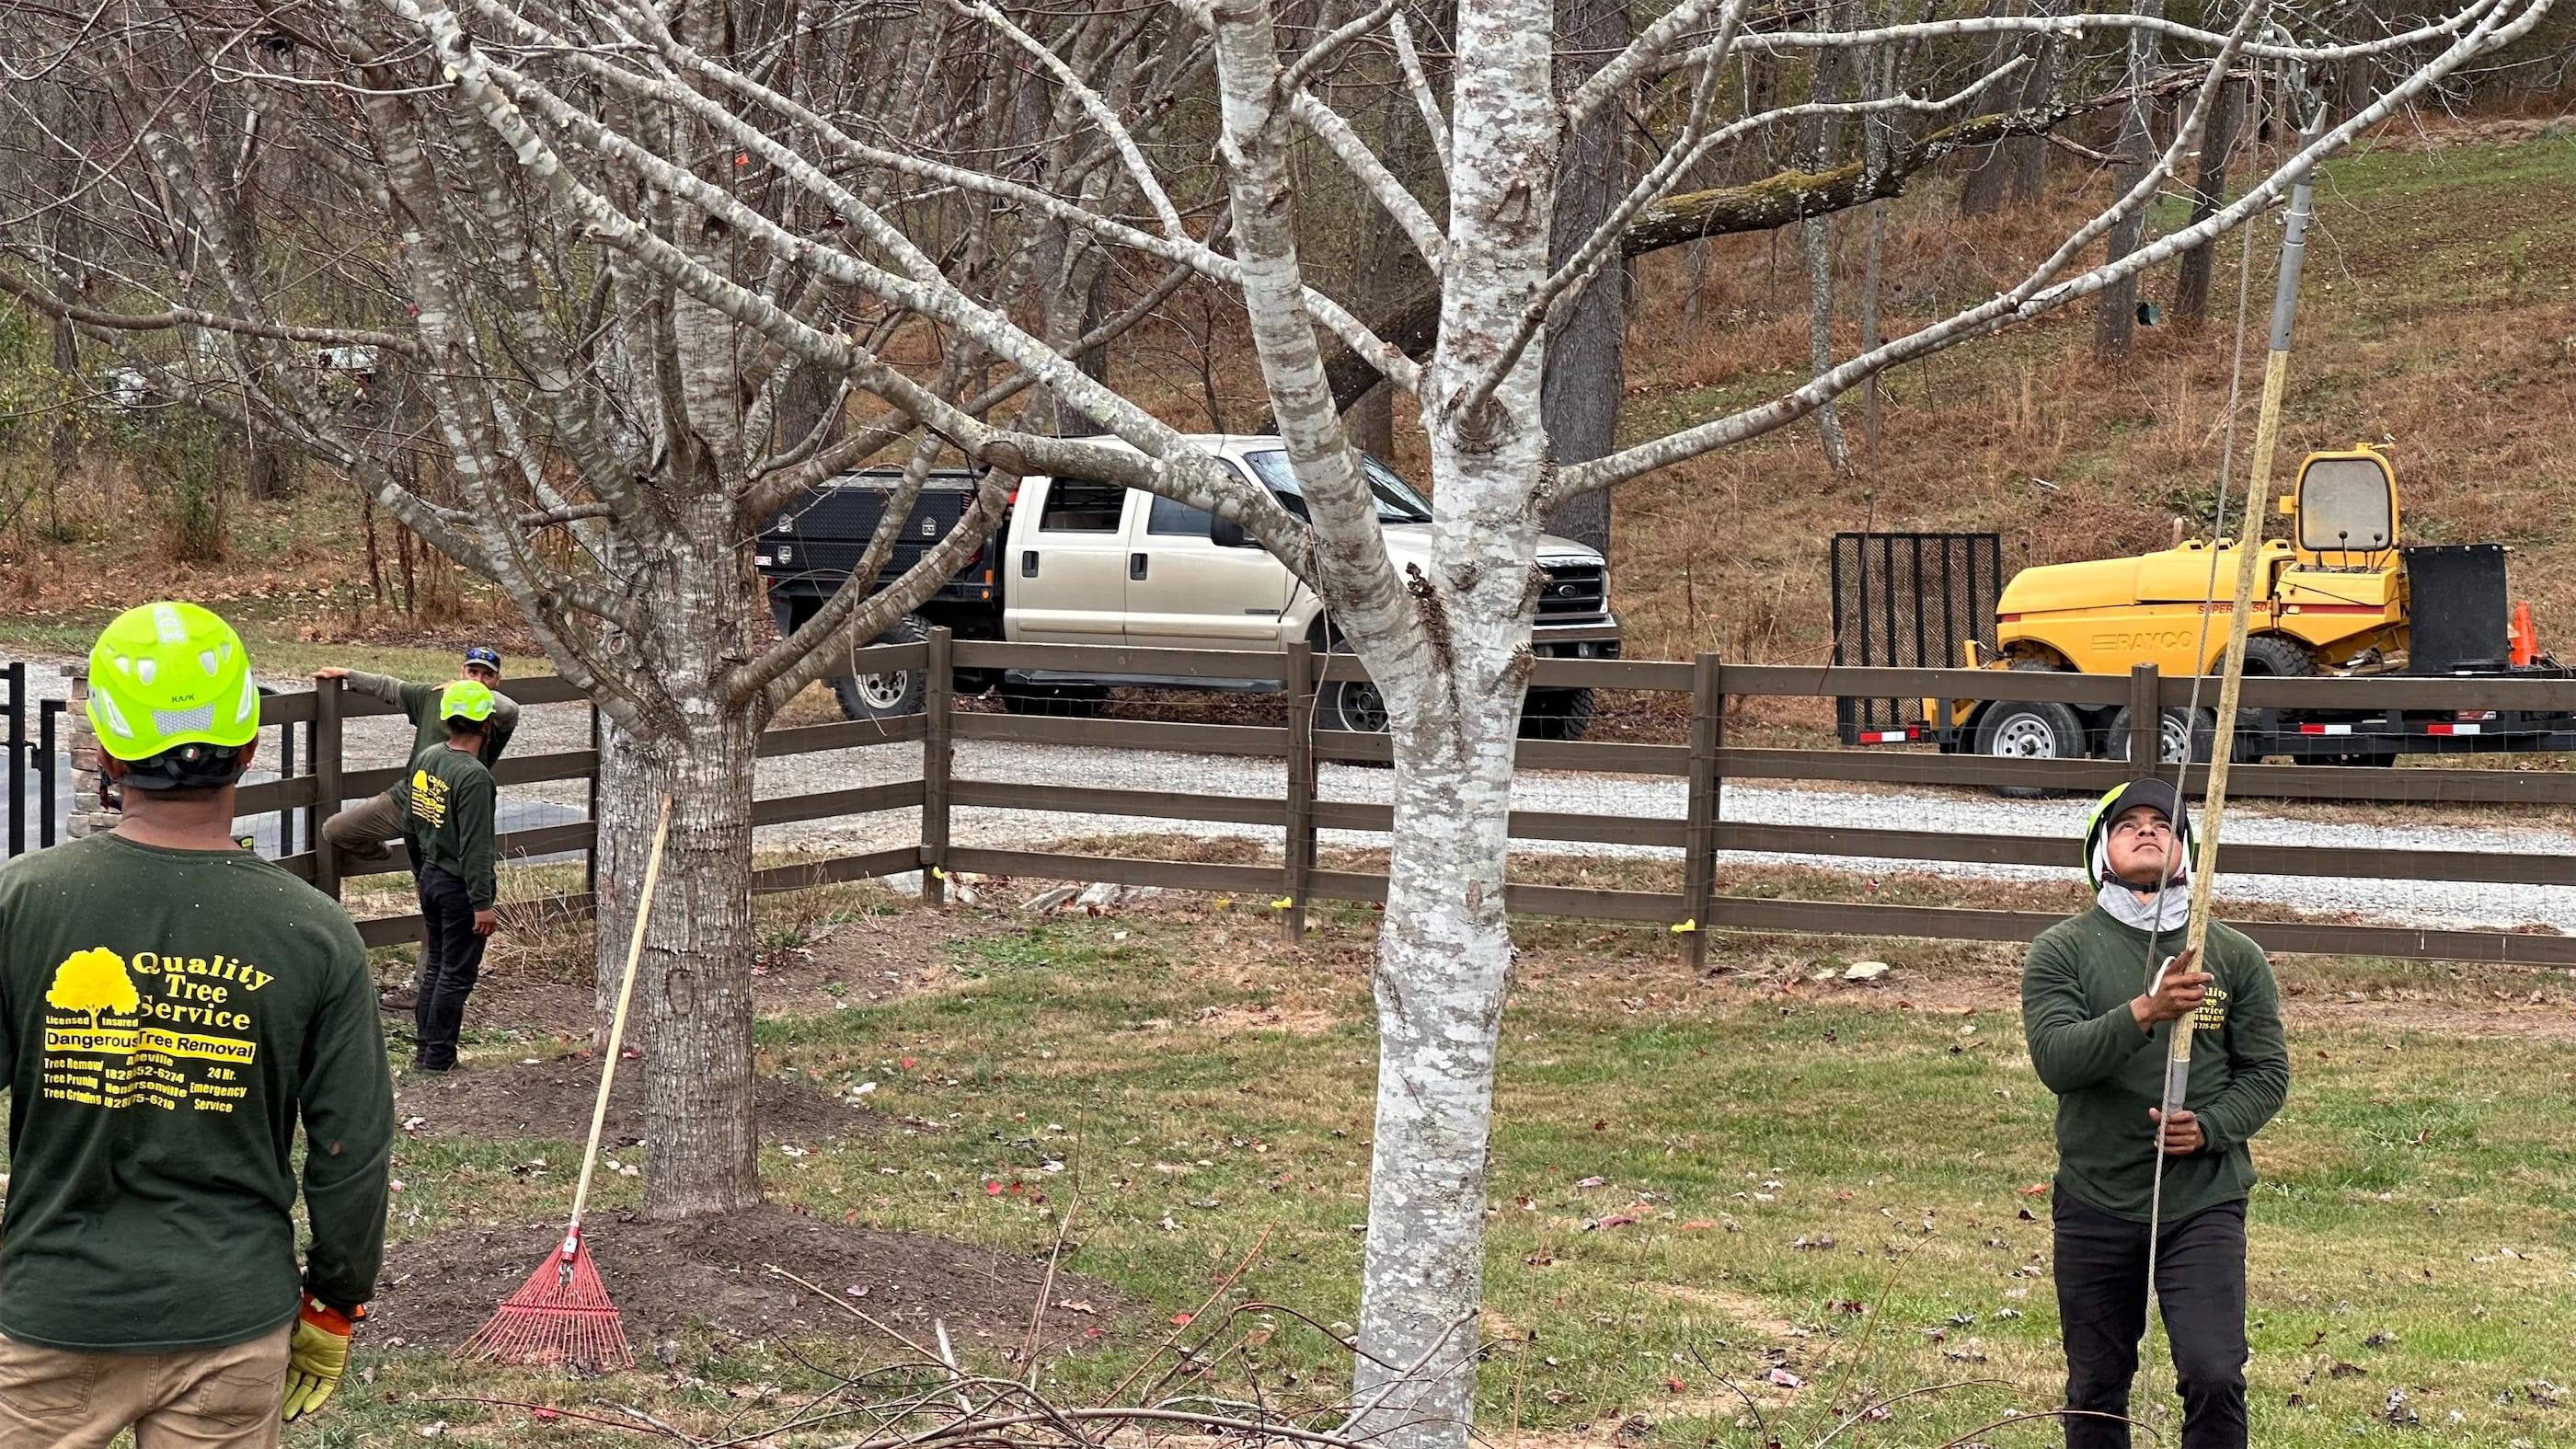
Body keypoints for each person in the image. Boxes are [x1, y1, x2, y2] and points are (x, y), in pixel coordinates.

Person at [0, 602, 391, 1443]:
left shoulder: (24, 901)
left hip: (51, 1317)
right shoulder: (314, 931)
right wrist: (336, 1297)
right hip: (230, 1322)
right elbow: (350, 1149)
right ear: (250, 748)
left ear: (106, 750)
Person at [2021, 777, 2290, 1449]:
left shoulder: (2232, 955)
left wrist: (2212, 1127)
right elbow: (2057, 1058)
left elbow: (2267, 1073)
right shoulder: (2062, 950)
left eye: (2163, 824)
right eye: (2128, 823)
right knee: (2096, 1384)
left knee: (2214, 1372)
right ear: (2100, 852)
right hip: (2096, 1197)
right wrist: (2148, 1010)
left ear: (2186, 851)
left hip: (2203, 1201)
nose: (2147, 830)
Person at [315, 645, 518, 866]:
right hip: (411, 797)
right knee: (335, 830)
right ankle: (384, 854)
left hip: (453, 810)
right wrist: (347, 674)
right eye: (472, 673)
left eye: (487, 675)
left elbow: (510, 709)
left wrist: (468, 691)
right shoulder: (431, 697)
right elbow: (390, 687)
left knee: (435, 877)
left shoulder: (494, 717)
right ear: (462, 671)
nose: (478, 680)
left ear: (498, 681)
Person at [400, 680, 500, 1074]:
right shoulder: (474, 777)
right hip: (459, 888)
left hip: (431, 876)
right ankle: (439, 1058)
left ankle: (425, 1051)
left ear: (446, 720)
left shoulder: (428, 758)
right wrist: (482, 903)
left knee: (437, 966)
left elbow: (410, 823)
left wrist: (419, 872)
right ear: (487, 725)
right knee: (455, 975)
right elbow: (477, 847)